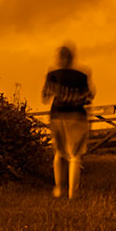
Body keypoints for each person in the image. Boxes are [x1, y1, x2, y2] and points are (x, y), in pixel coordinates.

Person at [41, 43, 94, 199]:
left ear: (58, 58)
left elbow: (45, 97)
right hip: (77, 116)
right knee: (75, 156)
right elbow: (88, 97)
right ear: (72, 58)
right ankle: (73, 193)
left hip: (57, 115)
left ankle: (58, 188)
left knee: (59, 153)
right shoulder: (82, 75)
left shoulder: (52, 74)